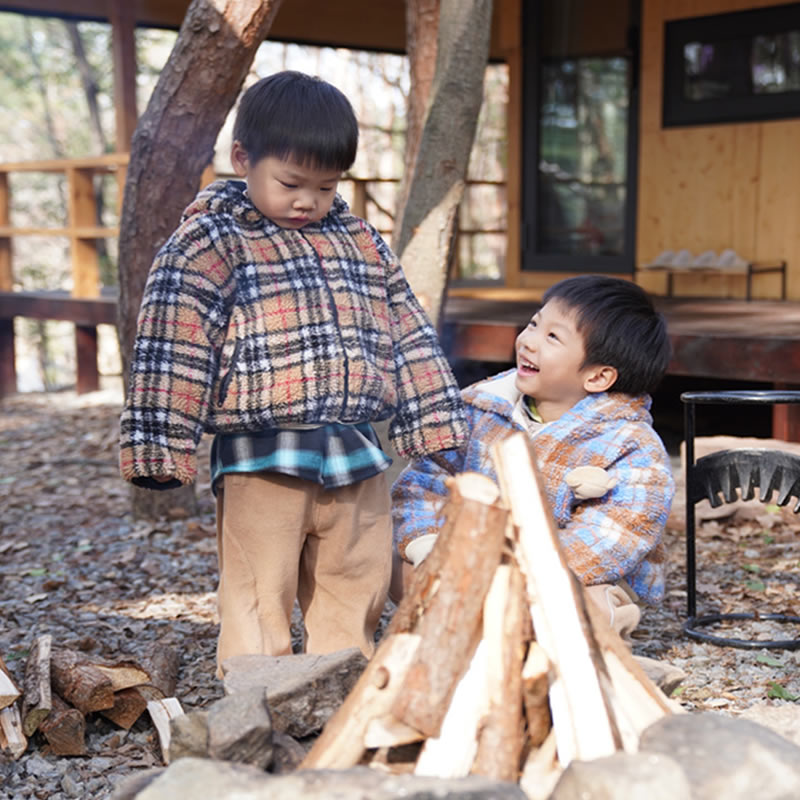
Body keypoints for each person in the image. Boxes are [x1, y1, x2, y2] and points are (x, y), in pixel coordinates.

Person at [119, 71, 467, 672]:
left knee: (354, 577)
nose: (308, 200)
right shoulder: (209, 243)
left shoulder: (360, 241)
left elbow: (406, 329)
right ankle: (255, 696)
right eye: (290, 183)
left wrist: (432, 416)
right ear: (242, 159)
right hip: (262, 460)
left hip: (357, 453)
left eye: (327, 187)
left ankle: (340, 684)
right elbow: (173, 344)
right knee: (259, 590)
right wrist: (159, 445)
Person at [391, 275, 675, 638]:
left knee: (581, 606)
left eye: (552, 337)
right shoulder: (481, 407)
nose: (528, 341)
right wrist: (428, 544)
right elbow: (426, 481)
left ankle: (586, 636)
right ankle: (472, 633)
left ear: (598, 376)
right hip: (470, 559)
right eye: (534, 324)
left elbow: (617, 533)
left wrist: (522, 570)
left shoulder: (630, 445)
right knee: (392, 562)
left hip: (565, 575)